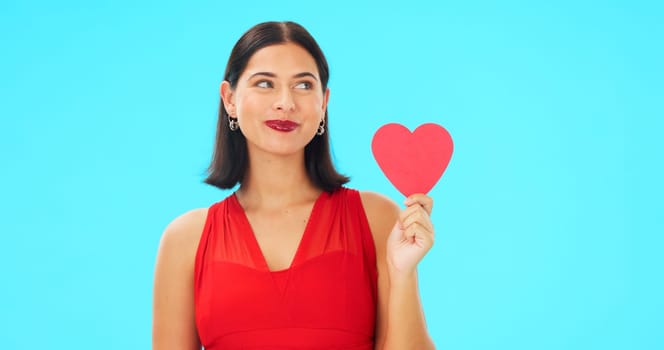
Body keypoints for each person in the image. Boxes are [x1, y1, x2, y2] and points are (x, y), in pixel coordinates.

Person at [152, 21, 436, 350]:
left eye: (303, 85)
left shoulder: (377, 218)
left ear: (324, 101)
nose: (285, 102)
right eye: (264, 84)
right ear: (229, 99)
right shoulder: (185, 240)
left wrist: (402, 274)